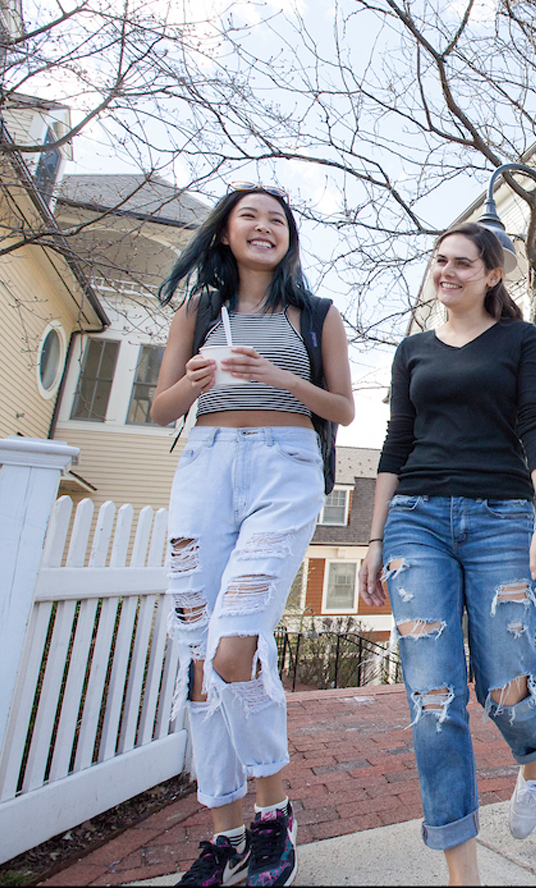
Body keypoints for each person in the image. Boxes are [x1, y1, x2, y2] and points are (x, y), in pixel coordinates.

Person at [151, 183, 355, 887]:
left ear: (289, 236)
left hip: (285, 469)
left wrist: (275, 376)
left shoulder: (316, 315)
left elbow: (344, 409)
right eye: (250, 217)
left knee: (235, 644)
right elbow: (159, 408)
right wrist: (197, 380)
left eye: (277, 219)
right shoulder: (199, 311)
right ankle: (226, 833)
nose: (264, 227)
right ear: (227, 233)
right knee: (201, 662)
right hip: (206, 470)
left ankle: (274, 811)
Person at [357, 221, 536, 886]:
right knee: (433, 696)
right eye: (439, 261)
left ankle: (532, 755)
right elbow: (395, 441)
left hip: (501, 517)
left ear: (492, 274)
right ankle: (462, 875)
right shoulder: (413, 349)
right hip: (416, 521)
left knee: (506, 684)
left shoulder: (519, 341)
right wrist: (373, 536)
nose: (446, 271)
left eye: (462, 263)